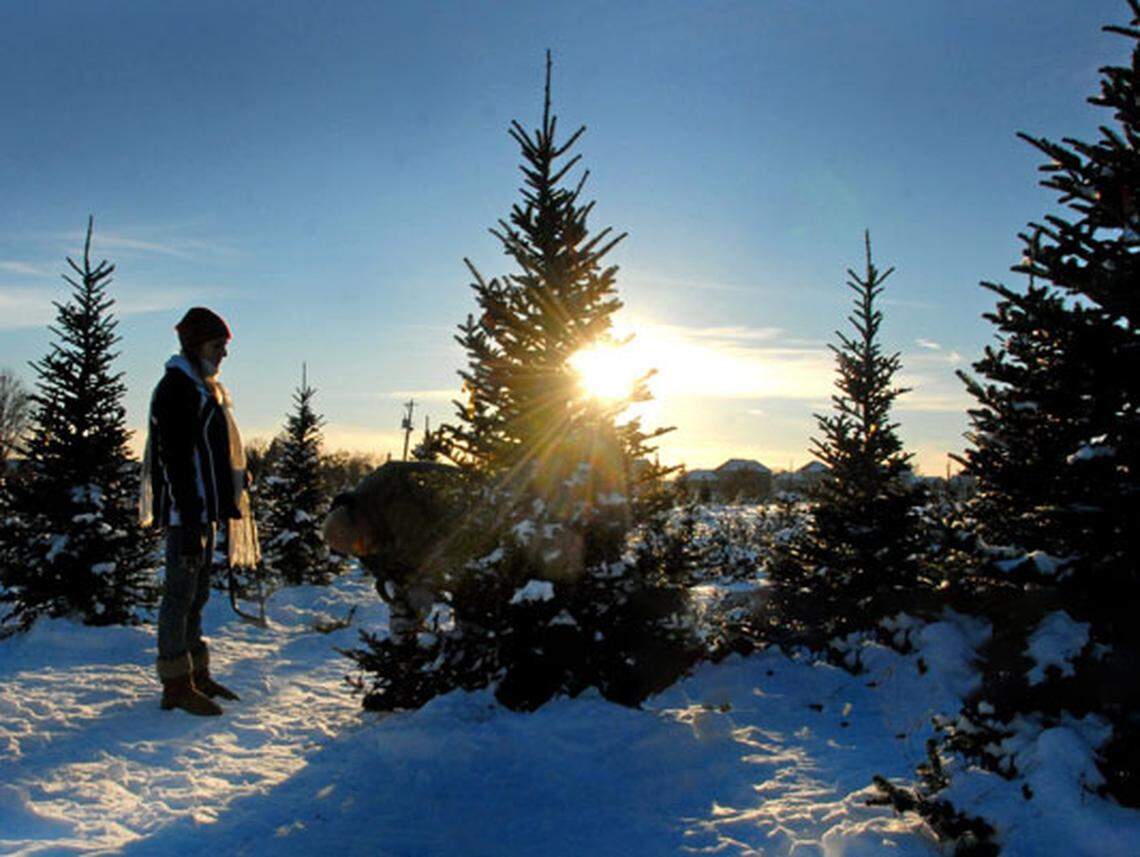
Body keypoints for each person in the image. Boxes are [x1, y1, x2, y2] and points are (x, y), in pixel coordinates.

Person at [140, 307, 260, 715]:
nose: (223, 354)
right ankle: (176, 682)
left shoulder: (203, 387)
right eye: (217, 346)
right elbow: (175, 460)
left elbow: (211, 451)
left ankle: (197, 671)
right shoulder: (178, 388)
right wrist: (189, 519)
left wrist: (234, 477)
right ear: (195, 346)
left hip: (203, 511)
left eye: (225, 347)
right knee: (178, 595)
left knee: (198, 594)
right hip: (184, 514)